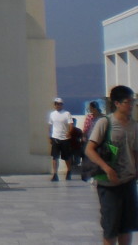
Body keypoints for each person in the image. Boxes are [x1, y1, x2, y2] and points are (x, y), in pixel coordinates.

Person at [86, 85, 138, 244]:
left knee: (126, 228)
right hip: (108, 185)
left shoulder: (134, 126)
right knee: (110, 229)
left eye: (133, 102)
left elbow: (135, 152)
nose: (131, 105)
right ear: (116, 103)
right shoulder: (105, 123)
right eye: (127, 102)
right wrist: (107, 168)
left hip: (128, 182)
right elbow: (90, 149)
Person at [49, 97, 74, 181]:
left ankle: (69, 171)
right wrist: (50, 136)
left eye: (59, 104)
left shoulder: (67, 113)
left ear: (62, 105)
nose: (58, 105)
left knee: (67, 157)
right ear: (55, 105)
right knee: (54, 157)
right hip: (55, 137)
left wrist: (69, 133)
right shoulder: (52, 114)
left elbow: (71, 124)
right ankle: (55, 174)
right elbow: (50, 125)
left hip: (65, 139)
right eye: (56, 104)